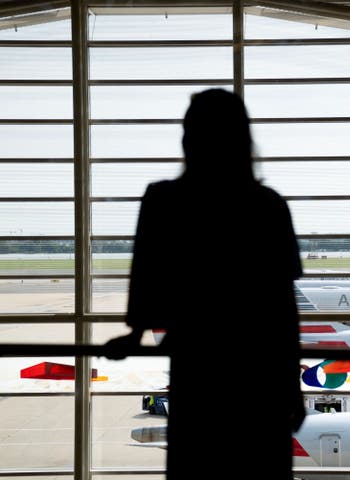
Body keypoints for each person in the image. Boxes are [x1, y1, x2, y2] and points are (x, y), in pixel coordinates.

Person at [106, 88, 306, 478]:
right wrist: (291, 389)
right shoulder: (268, 206)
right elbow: (283, 310)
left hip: (199, 378)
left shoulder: (162, 200)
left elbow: (146, 282)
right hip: (258, 383)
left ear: (189, 138)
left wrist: (134, 336)